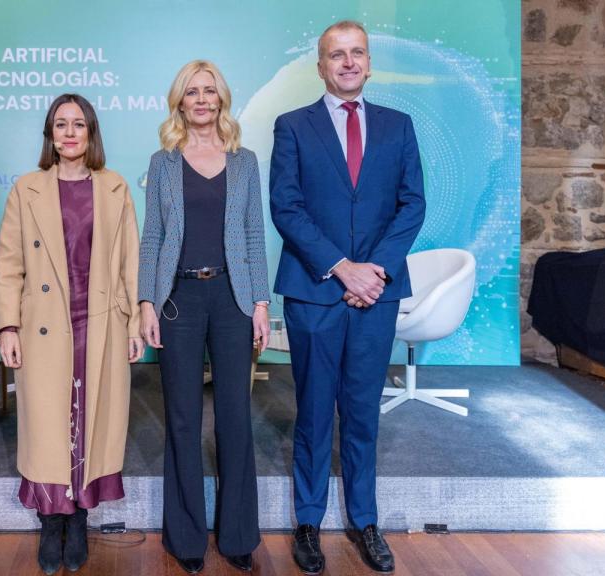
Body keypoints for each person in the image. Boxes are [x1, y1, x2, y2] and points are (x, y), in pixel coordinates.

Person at [269, 20, 426, 575]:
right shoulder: (292, 126)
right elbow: (286, 207)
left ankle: (365, 522)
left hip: (376, 295)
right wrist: (341, 269)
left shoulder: (399, 126)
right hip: (315, 292)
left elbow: (413, 205)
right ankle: (308, 522)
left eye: (357, 52)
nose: (348, 62)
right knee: (313, 412)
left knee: (362, 414)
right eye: (336, 55)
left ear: (369, 62)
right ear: (321, 66)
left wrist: (374, 271)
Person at [0, 93, 143, 575]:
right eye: (61, 124)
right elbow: (9, 265)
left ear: (91, 132)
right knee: (46, 423)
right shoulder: (26, 189)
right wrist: (8, 326)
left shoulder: (115, 187)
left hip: (100, 321)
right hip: (43, 326)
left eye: (79, 124)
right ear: (50, 134)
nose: (70, 132)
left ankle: (78, 517)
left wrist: (137, 321)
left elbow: (130, 262)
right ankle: (49, 520)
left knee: (92, 421)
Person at [138, 60, 270, 574]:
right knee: (184, 419)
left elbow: (256, 236)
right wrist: (148, 302)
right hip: (179, 302)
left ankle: (238, 535)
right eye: (191, 92)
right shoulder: (164, 161)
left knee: (235, 418)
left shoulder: (245, 161)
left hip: (234, 301)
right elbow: (152, 238)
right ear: (179, 101)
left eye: (209, 91)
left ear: (222, 99)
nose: (201, 100)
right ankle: (186, 538)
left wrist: (261, 303)